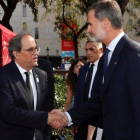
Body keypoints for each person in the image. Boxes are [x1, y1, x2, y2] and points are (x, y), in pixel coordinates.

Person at [49, 1, 140, 140]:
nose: (88, 30)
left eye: (90, 24)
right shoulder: (105, 59)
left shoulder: (134, 54)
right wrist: (67, 116)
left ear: (105, 23)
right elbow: (98, 101)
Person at [0, 32, 67, 140]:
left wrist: (52, 118)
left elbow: (44, 108)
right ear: (16, 54)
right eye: (30, 50)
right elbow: (9, 113)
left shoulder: (42, 75)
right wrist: (47, 117)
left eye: (36, 48)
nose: (36, 53)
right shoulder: (3, 76)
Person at [74, 40, 103, 140]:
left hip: (100, 121)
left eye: (92, 49)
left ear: (101, 50)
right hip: (82, 121)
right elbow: (78, 95)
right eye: (86, 50)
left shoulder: (106, 68)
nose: (88, 52)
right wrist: (75, 119)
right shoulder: (83, 69)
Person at [37, 57, 55, 139]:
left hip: (43, 113)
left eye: (35, 49)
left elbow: (50, 90)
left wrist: (48, 112)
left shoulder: (45, 65)